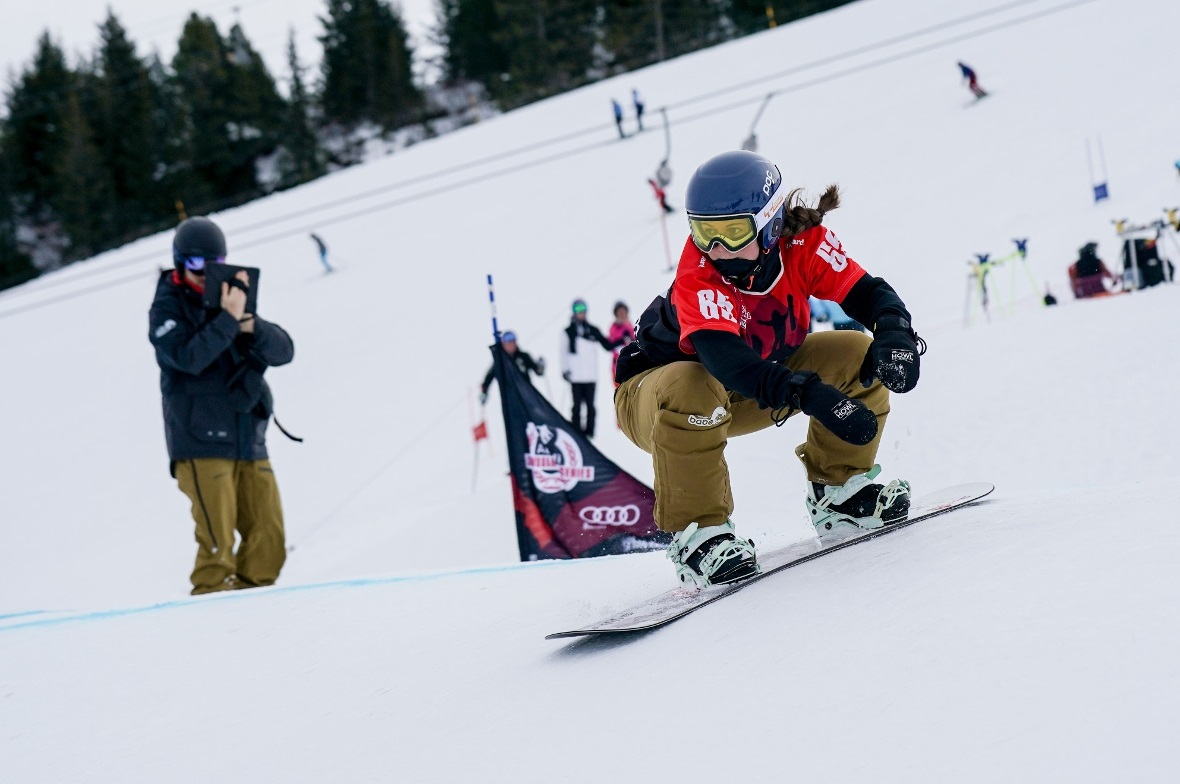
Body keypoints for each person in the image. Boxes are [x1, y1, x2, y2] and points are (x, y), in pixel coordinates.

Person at [614, 150, 922, 587]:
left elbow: (866, 291)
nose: (716, 249)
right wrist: (807, 393)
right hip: (656, 399)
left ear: (771, 221)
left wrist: (894, 331)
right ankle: (701, 535)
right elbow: (726, 361)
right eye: (704, 233)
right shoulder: (699, 274)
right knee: (691, 380)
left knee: (855, 352)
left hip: (740, 388)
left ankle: (840, 491)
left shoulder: (803, 244)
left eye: (733, 232)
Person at [149, 216, 295, 595]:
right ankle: (210, 625)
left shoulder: (230, 299)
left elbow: (284, 352)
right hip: (200, 441)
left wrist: (249, 324)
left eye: (214, 264)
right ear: (180, 264)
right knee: (218, 550)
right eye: (196, 264)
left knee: (268, 542)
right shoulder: (167, 308)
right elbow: (188, 357)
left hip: (248, 436)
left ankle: (254, 614)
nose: (205, 274)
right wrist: (229, 320)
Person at [561, 299, 622, 438]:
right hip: (575, 375)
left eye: (583, 310)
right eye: (578, 310)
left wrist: (621, 340)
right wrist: (564, 370)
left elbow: (607, 345)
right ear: (574, 312)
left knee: (590, 406)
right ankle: (576, 432)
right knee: (576, 406)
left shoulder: (592, 330)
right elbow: (562, 352)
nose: (581, 313)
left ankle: (590, 434)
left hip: (590, 376)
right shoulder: (568, 332)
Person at [480, 330, 545, 404]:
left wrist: (540, 367)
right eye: (508, 343)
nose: (510, 345)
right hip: (510, 399)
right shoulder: (500, 362)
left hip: (527, 395)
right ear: (503, 344)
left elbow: (538, 371)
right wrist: (484, 391)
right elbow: (489, 377)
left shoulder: (524, 357)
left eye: (512, 342)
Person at [608, 301, 637, 384]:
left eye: (624, 312)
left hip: (631, 365)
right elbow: (614, 346)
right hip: (618, 367)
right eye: (620, 312)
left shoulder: (630, 326)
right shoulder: (614, 328)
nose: (622, 314)